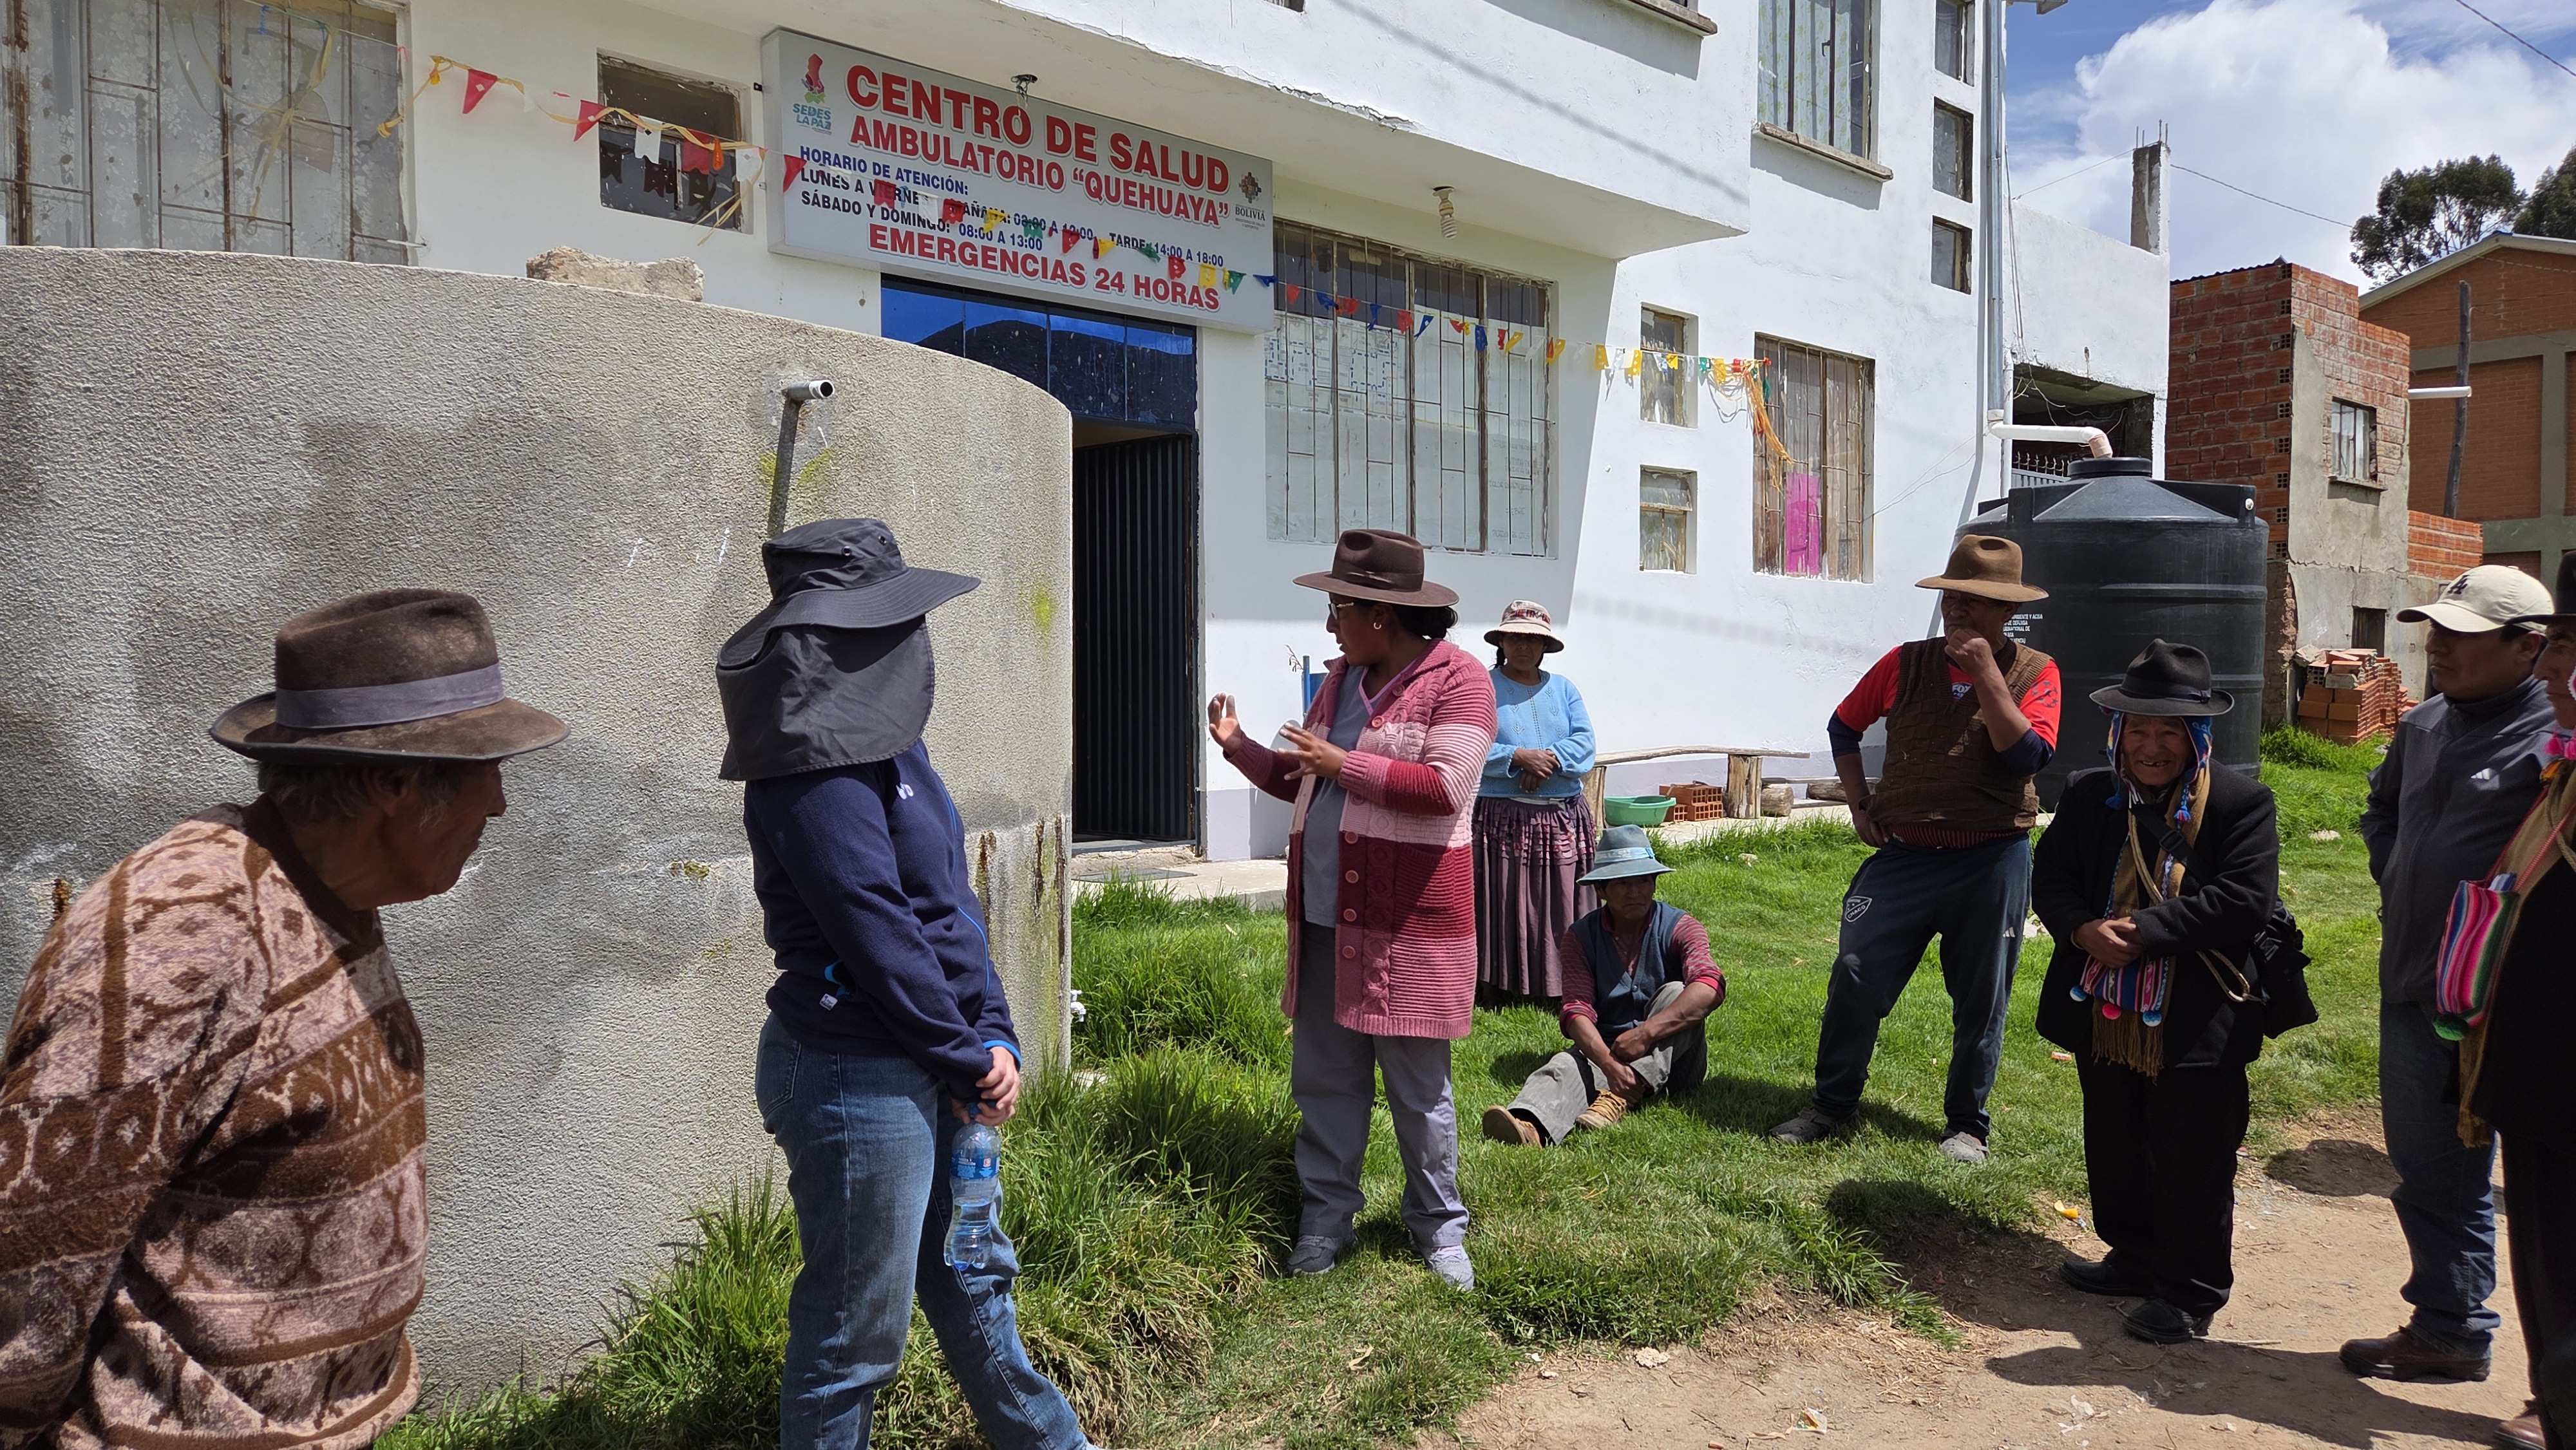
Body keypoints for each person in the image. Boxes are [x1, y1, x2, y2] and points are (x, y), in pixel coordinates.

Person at [0, 589, 565, 1448]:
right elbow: (36, 1244)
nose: (499, 803)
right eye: (486, 768)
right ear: (390, 783)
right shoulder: (183, 936)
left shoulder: (325, 892)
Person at [717, 519, 1113, 1450]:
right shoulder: (809, 766)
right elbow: (876, 929)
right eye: (889, 618)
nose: (911, 635)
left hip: (929, 1054)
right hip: (853, 1073)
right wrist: (964, 1055)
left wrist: (995, 1031)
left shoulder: (895, 748)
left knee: (973, 1281)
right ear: (837, 634)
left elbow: (947, 906)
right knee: (853, 1340)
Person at [1207, 527, 1497, 1289]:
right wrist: (1239, 746)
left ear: (1380, 614)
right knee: (1326, 1083)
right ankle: (1324, 1220)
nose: (1330, 623)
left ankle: (1439, 1228)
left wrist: (1343, 761)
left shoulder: (1461, 681)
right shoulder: (1339, 681)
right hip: (1324, 919)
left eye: (1338, 607)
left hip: (1410, 926)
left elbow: (1444, 788)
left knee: (1418, 1091)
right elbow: (1307, 778)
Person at [1771, 535, 2062, 1163]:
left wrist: (1986, 674)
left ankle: (1967, 1125)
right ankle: (1831, 1104)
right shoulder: (1905, 663)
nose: (1958, 608)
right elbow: (1844, 725)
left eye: (1975, 599)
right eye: (1952, 595)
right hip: (1905, 857)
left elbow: (2027, 756)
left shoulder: (2036, 671)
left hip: (1992, 860)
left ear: (2007, 610)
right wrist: (1859, 802)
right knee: (1855, 971)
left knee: (1982, 995)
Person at [2031, 640, 2278, 1344]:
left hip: (2197, 1016)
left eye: (2169, 731)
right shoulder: (2090, 794)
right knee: (2114, 1140)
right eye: (2137, 728)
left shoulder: (2240, 803)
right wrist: (2082, 929)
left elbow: (2244, 900)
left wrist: (2144, 932)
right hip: (2104, 1006)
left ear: (2197, 736)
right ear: (2117, 731)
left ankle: (2190, 1288)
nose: (2151, 746)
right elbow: (2051, 875)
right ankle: (2134, 1258)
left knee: (2192, 1154)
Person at [2347, 563, 2557, 1388]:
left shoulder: (2555, 734)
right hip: (2414, 986)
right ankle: (2449, 1327)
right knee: (2430, 1170)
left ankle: (2555, 1386)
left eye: (2461, 635)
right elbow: (2381, 808)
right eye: (2434, 629)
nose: (2437, 646)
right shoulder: (2425, 722)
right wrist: (2398, 871)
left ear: (2528, 647)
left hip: (2515, 1003)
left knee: (2546, 1192)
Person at [2457, 558, 2576, 1450]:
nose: (2556, 672)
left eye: (2570, 651)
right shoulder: (2562, 772)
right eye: (2556, 647)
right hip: (2539, 1063)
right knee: (2547, 1248)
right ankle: (2556, 1397)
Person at [1481, 824, 1723, 1145]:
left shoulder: (1680, 926)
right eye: (1622, 883)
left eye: (1643, 881)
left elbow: (1710, 986)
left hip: (1676, 1062)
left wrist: (1645, 1034)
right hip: (1609, 1050)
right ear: (1601, 890)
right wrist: (1609, 1065)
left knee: (1678, 992)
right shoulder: (1581, 938)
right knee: (1566, 1064)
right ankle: (1530, 1126)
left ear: (1654, 883)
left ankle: (1619, 1096)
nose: (1635, 892)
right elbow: (1575, 1011)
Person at [1474, 599, 1599, 1005]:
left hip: (1562, 818)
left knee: (1561, 901)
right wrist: (1515, 757)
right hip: (1503, 817)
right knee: (1506, 900)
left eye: (1533, 639)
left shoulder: (1564, 689)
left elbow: (1585, 743)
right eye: (1515, 638)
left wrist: (1547, 760)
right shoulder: (1482, 688)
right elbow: (1470, 742)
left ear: (1546, 646)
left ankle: (1564, 981)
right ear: (1501, 642)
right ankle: (1499, 982)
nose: (1523, 646)